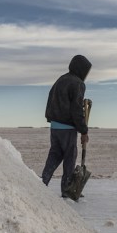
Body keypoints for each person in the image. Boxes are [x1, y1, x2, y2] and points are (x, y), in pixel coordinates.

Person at [41, 55, 91, 197]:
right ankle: (67, 190)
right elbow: (76, 109)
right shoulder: (78, 83)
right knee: (70, 157)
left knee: (55, 154)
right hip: (67, 128)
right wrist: (84, 131)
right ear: (82, 69)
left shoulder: (61, 79)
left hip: (55, 127)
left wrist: (51, 119)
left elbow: (50, 99)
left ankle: (42, 182)